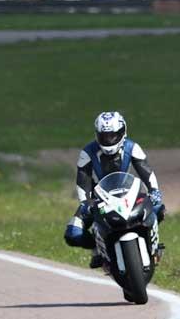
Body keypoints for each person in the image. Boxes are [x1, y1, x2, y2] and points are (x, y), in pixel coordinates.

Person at [64, 111, 165, 268]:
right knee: (73, 233)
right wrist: (86, 203)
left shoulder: (132, 147)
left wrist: (154, 190)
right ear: (97, 135)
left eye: (112, 135)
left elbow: (146, 172)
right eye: (104, 136)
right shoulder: (87, 153)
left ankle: (153, 244)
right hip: (98, 199)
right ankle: (97, 249)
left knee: (159, 208)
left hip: (129, 192)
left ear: (122, 132)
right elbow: (82, 182)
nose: (108, 140)